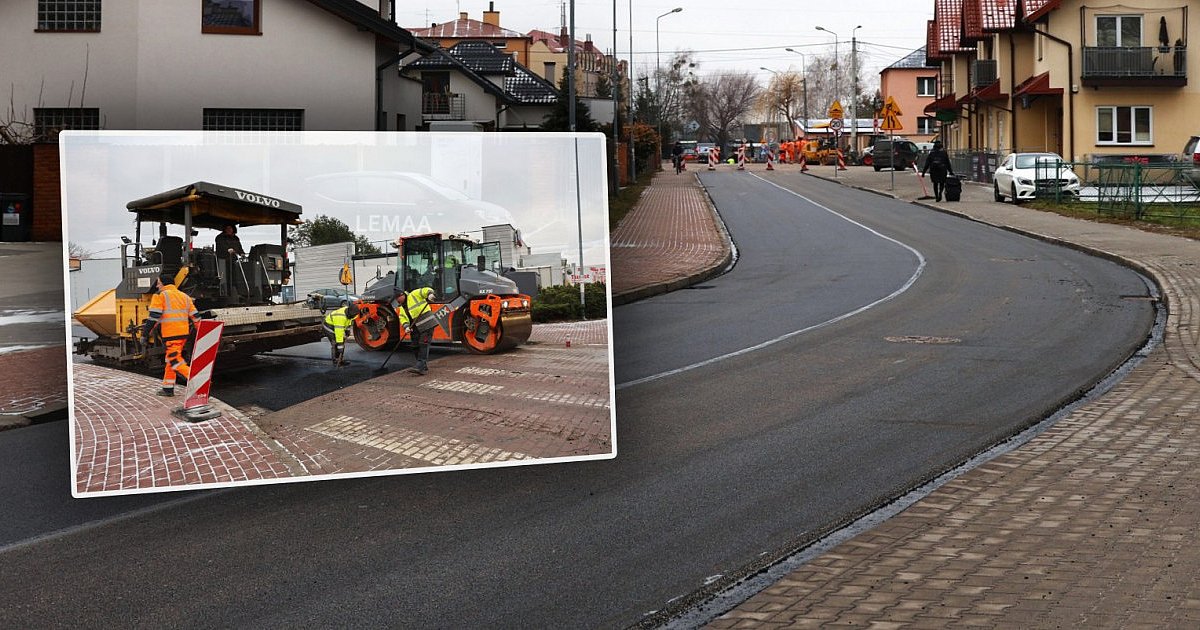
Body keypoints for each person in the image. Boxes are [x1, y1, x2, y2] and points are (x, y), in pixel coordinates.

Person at [145, 273, 199, 397]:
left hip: (171, 335)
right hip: (183, 335)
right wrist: (200, 331)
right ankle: (168, 388)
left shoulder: (160, 296)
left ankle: (198, 379)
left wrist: (145, 334)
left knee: (175, 361)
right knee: (170, 360)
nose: (157, 285)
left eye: (158, 282)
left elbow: (154, 318)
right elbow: (195, 316)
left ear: (163, 283)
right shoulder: (184, 296)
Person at [396, 286, 436, 376]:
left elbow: (426, 290)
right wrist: (406, 326)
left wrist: (430, 294)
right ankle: (423, 366)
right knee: (415, 345)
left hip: (427, 324)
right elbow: (402, 317)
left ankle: (420, 366)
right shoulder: (402, 307)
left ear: (402, 295)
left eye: (397, 298)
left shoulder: (414, 294)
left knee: (423, 343)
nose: (397, 300)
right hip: (415, 327)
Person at [323, 302, 359, 367]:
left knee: (341, 343)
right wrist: (340, 346)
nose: (354, 316)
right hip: (329, 326)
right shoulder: (340, 317)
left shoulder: (350, 313)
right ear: (349, 313)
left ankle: (340, 360)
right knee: (336, 343)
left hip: (336, 325)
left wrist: (347, 330)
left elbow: (348, 321)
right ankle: (336, 361)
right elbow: (338, 333)